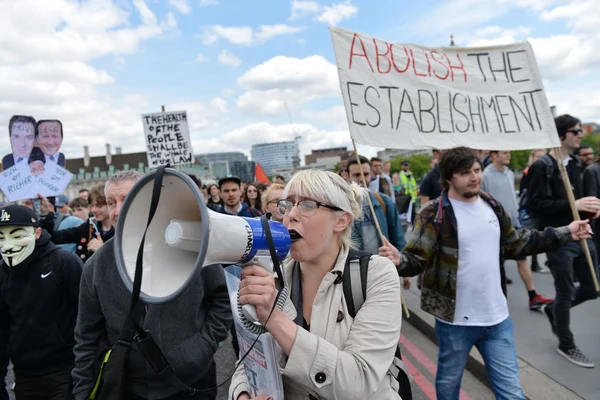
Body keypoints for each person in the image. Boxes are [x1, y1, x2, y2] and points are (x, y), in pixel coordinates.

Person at [395, 147, 592, 399]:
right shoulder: (434, 213)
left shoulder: (491, 204)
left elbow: (519, 242)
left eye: (476, 170)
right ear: (449, 178)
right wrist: (398, 260)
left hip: (497, 318)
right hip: (454, 321)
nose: (475, 177)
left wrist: (567, 232)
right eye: (465, 173)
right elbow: (416, 259)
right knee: (448, 382)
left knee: (511, 392)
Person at [230, 170, 403, 400]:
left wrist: (274, 319)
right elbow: (251, 354)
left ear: (341, 220)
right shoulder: (273, 274)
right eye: (287, 205)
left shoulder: (376, 274)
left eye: (307, 205)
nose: (289, 215)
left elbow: (358, 383)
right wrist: (242, 392)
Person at [72, 170, 232, 400]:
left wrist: (203, 346)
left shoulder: (189, 246)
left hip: (192, 383)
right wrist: (83, 392)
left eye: (128, 199)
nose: (117, 210)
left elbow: (222, 297)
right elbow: (86, 336)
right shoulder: (96, 266)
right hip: (130, 387)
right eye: (111, 202)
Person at [527, 114, 600, 368]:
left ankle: (554, 309)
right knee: (566, 290)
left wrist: (589, 209)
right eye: (575, 131)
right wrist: (574, 205)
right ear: (561, 135)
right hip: (557, 237)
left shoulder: (575, 165)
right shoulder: (543, 165)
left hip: (581, 234)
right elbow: (534, 205)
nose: (580, 134)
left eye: (580, 130)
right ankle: (566, 343)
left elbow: (577, 202)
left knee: (593, 288)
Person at [0, 205, 83, 399]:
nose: (7, 245)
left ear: (37, 232)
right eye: (1, 237)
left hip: (65, 371)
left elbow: (87, 317)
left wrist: (86, 368)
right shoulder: (3, 273)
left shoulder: (64, 263)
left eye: (17, 235)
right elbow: (2, 328)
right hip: (24, 375)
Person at [482, 151, 553, 310]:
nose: (509, 156)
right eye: (504, 153)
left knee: (522, 259)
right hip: (494, 226)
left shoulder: (509, 173)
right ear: (493, 155)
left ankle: (533, 296)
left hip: (513, 225)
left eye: (509, 153)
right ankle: (494, 300)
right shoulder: (485, 175)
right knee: (495, 264)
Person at [40, 183, 114, 262]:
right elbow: (54, 237)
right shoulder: (89, 226)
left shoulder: (122, 228)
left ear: (110, 204)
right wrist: (46, 213)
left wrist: (103, 249)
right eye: (92, 205)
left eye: (99, 206)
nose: (94, 210)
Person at [519, 149, 548, 273]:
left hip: (542, 208)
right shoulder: (528, 171)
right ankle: (535, 263)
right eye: (538, 156)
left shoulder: (547, 170)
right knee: (535, 235)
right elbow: (524, 191)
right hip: (532, 209)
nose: (540, 158)